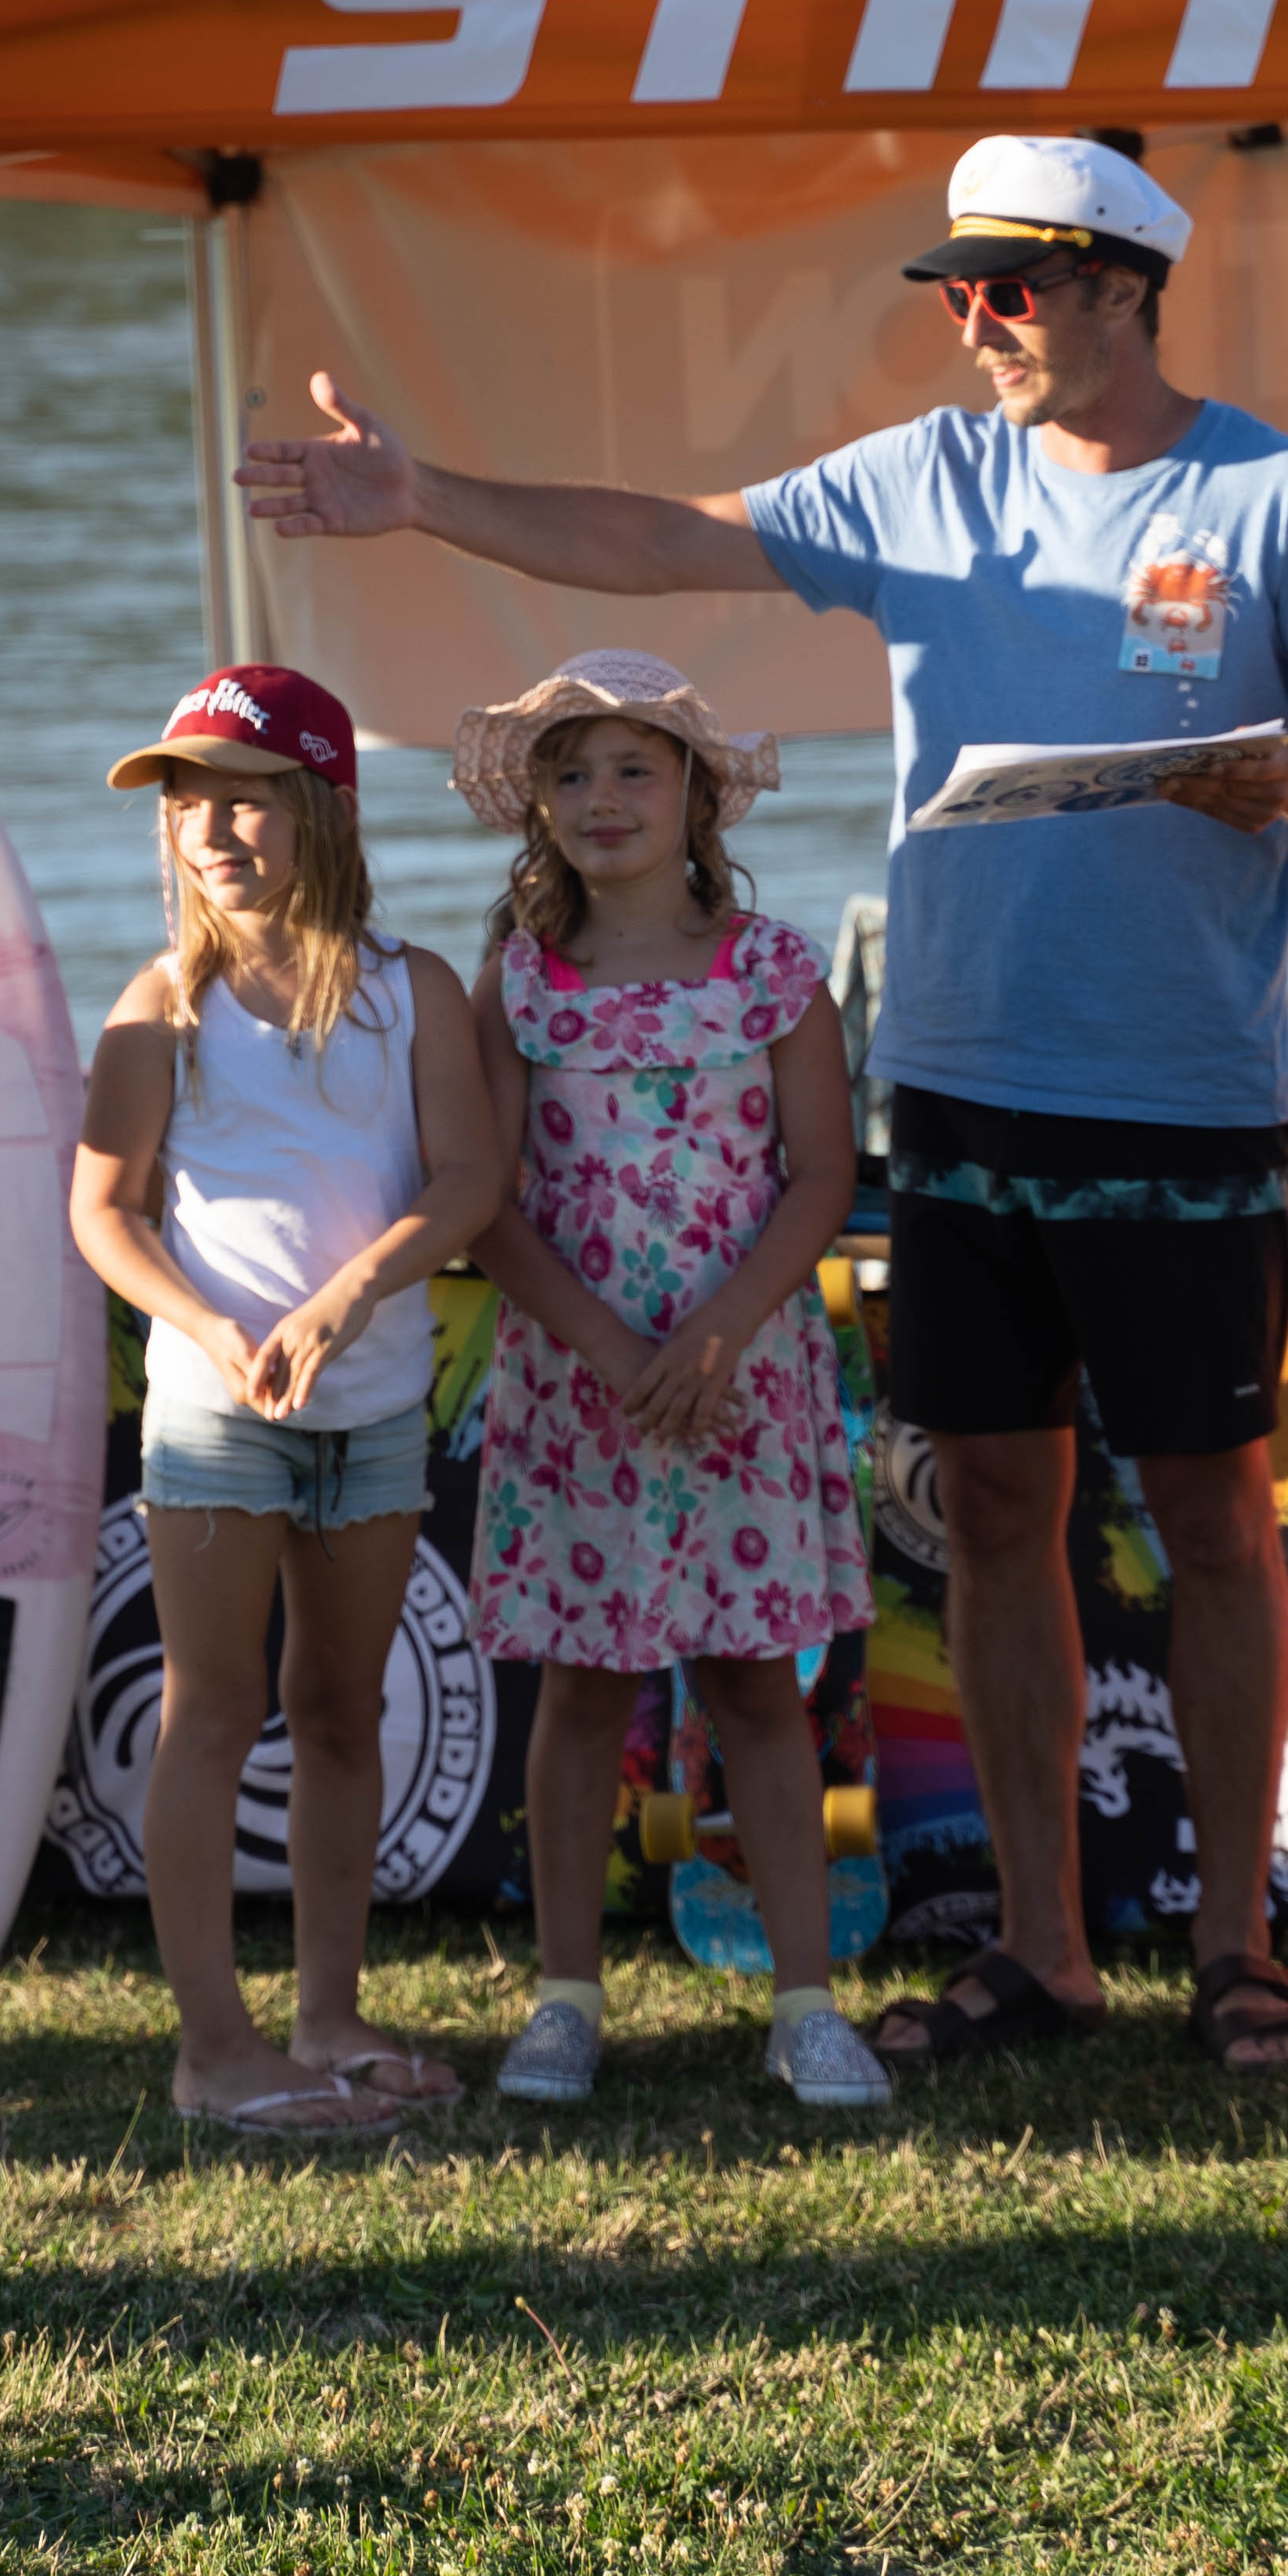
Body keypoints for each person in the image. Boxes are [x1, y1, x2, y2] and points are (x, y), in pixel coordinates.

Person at [245, 136, 1288, 2081]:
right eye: (957, 292)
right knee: (995, 1512)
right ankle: (1046, 1951)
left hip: (1184, 1101)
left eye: (1013, 289)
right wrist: (422, 496)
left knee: (1217, 1525)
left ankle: (1240, 1951)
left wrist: (1274, 773)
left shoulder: (1278, 492)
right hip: (957, 1090)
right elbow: (661, 540)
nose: (976, 325)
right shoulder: (925, 478)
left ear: (1127, 286)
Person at [67, 663, 502, 2137]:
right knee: (210, 1710)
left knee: (338, 1708)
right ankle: (212, 2049)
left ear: (324, 808)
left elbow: (469, 1180)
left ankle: (328, 2016)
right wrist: (205, 1324)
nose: (210, 828)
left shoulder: (413, 991)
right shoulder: (160, 1008)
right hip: (213, 1415)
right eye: (186, 802)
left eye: (245, 797)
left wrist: (351, 1295)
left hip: (372, 1411)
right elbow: (103, 1212)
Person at [450, 651, 884, 2112]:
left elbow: (820, 1175)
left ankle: (805, 2003)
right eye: (571, 773)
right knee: (583, 1689)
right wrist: (613, 1348)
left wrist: (715, 1337)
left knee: (757, 1685)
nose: (602, 797)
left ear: (698, 795)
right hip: (580, 1383)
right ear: (538, 809)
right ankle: (566, 1999)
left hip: (739, 1376)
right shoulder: (518, 983)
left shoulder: (773, 971)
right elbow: (489, 1202)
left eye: (635, 767)